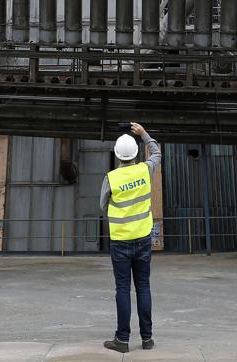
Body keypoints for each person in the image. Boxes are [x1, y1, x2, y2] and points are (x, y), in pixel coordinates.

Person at [101, 122, 160, 353]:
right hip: (143, 238)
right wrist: (144, 133)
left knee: (123, 289)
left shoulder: (111, 178)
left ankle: (122, 340)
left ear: (117, 155)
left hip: (120, 241)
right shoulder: (145, 170)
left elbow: (102, 205)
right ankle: (147, 339)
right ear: (135, 153)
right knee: (143, 287)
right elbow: (157, 153)